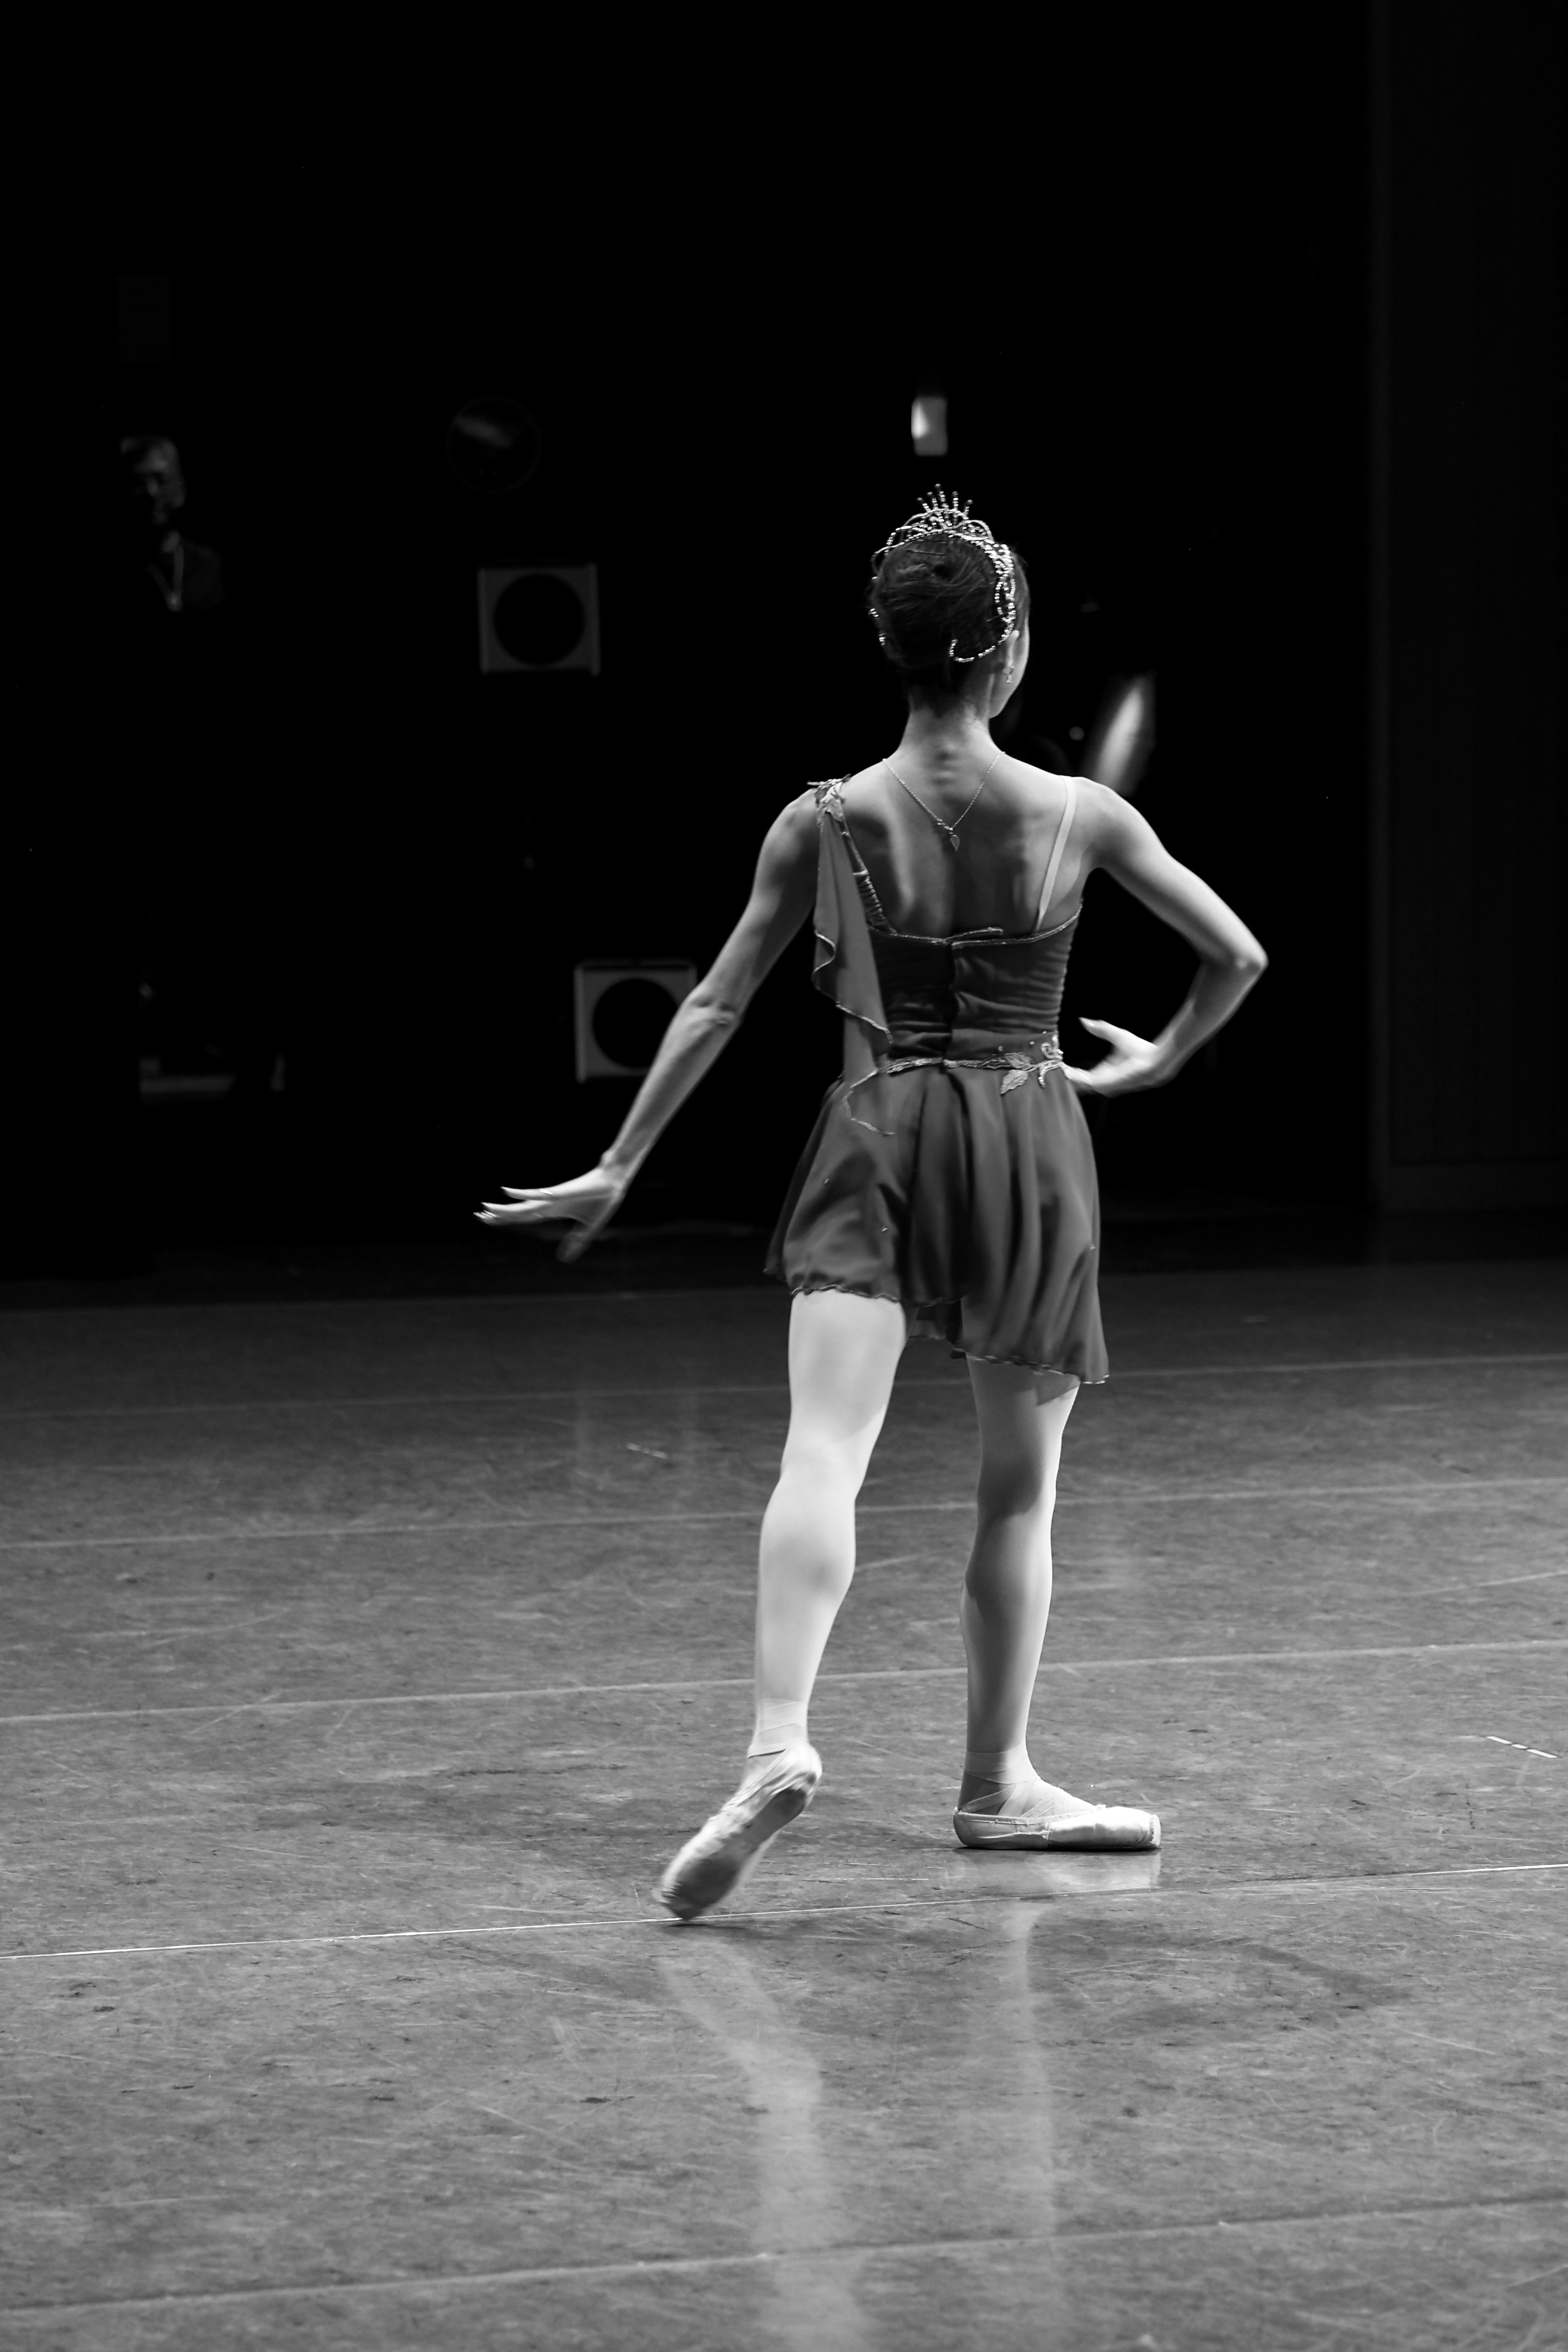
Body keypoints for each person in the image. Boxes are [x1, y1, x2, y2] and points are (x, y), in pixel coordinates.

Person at [479, 490, 1267, 1923]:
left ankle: (778, 1741)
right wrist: (1162, 1057)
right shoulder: (1080, 814)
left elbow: (717, 1001)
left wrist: (620, 1162)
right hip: (1030, 1141)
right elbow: (1239, 956)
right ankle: (997, 1782)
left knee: (821, 1453)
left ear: (892, 651)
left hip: (884, 1129)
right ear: (1008, 646)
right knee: (1016, 1486)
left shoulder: (824, 820)